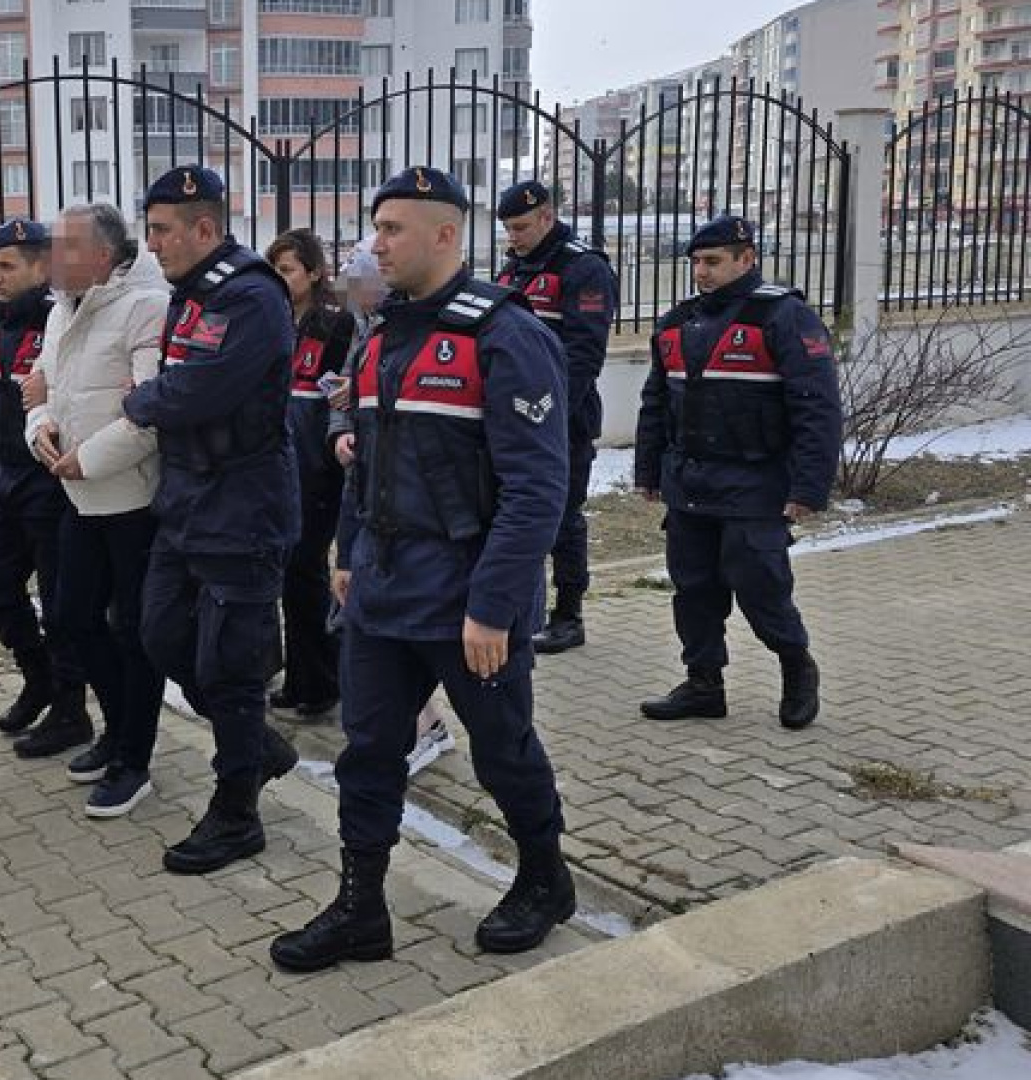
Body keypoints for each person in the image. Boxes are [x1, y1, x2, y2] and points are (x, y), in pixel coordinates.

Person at [270, 167, 574, 973]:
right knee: (368, 749)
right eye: (376, 227)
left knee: (502, 747)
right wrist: (344, 553)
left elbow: (538, 487)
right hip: (381, 587)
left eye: (395, 228)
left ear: (446, 235)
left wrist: (496, 605)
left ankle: (546, 879)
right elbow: (362, 459)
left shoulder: (506, 335)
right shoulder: (382, 335)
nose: (377, 243)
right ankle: (360, 909)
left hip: (468, 598)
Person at [124, 166, 302, 875]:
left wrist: (141, 401)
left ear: (204, 228)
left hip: (243, 507)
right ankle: (258, 746)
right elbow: (175, 380)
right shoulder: (191, 295)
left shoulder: (253, 296)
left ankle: (237, 814)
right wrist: (156, 394)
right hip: (188, 502)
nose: (152, 243)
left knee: (228, 668)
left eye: (163, 230)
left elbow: (197, 389)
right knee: (161, 636)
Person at [633, 215, 841, 730]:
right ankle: (704, 684)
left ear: (746, 259)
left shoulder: (784, 316)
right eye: (696, 263)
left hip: (755, 484)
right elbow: (655, 402)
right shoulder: (677, 322)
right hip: (690, 483)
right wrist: (648, 470)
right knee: (694, 590)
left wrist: (809, 487)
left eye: (713, 262)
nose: (701, 272)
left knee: (762, 587)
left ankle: (796, 668)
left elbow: (817, 408)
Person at [21, 203, 169, 816]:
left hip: (129, 496)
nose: (51, 259)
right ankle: (116, 727)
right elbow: (40, 388)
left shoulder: (145, 308)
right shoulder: (61, 310)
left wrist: (88, 458)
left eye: (65, 247)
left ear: (104, 255)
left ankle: (134, 759)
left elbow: (151, 411)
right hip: (75, 493)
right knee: (74, 617)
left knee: (134, 633)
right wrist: (41, 430)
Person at [329, 245, 458, 778]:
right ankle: (406, 729)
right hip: (369, 513)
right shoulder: (369, 334)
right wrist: (342, 431)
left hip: (432, 533)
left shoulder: (465, 332)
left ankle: (426, 726)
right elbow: (353, 396)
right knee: (361, 632)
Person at [0, 218, 88, 753]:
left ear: (42, 267)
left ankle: (70, 711)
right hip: (5, 482)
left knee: (62, 608)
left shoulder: (62, 322)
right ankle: (38, 677)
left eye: (7, 265)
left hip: (51, 484)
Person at [495, 181, 620, 655]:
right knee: (513, 515)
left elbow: (584, 355)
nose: (514, 237)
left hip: (561, 419)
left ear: (547, 217)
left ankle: (569, 614)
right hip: (511, 416)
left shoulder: (583, 268)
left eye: (522, 227)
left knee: (562, 517)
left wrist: (545, 415)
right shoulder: (515, 268)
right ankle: (516, 607)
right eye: (508, 228)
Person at [265, 229, 354, 721]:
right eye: (275, 270)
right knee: (293, 577)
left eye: (288, 270)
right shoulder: (275, 320)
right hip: (283, 468)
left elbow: (343, 391)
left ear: (315, 272)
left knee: (305, 572)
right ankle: (302, 678)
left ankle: (320, 683)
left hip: (318, 471)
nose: (281, 279)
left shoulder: (334, 325)